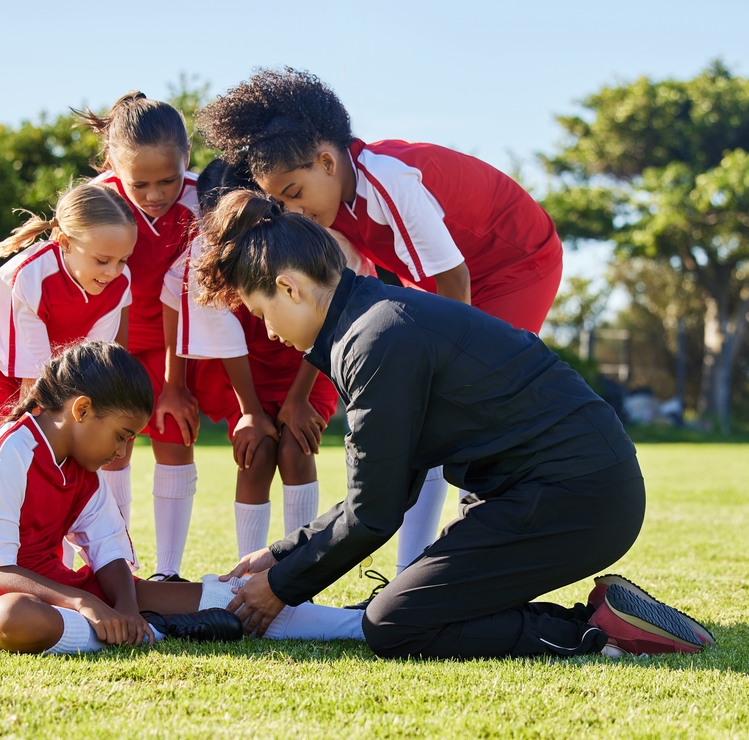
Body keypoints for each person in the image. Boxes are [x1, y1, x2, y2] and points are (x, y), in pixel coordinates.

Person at [193, 190, 715, 660]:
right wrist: (280, 554)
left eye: (260, 313)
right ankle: (609, 616)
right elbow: (385, 491)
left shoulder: (374, 338)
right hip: (546, 488)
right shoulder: (372, 319)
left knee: (393, 624)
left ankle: (599, 633)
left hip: (577, 494)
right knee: (410, 603)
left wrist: (280, 586)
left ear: (289, 288)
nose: (269, 331)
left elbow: (373, 512)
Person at [198, 68, 565, 573]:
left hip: (514, 263)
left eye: (294, 192)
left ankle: (475, 551)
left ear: (328, 162)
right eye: (279, 202)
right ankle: (410, 569)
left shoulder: (388, 178)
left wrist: (448, 371)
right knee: (421, 416)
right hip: (448, 278)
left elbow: (453, 278)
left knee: (465, 404)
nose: (292, 211)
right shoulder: (332, 210)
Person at [0, 340, 366, 654]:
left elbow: (108, 552)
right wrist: (88, 604)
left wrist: (125, 607)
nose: (122, 451)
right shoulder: (8, 453)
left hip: (64, 593)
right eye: (121, 436)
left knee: (233, 595)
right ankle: (161, 631)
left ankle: (362, 623)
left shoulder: (83, 467)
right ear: (81, 410)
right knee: (14, 619)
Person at [76, 92, 238, 580]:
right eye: (140, 183)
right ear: (113, 164)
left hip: (179, 341)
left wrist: (174, 384)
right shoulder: (96, 200)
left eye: (166, 179)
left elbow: (187, 296)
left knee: (173, 434)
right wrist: (107, 370)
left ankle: (168, 572)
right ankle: (114, 564)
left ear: (186, 157)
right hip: (110, 338)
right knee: (110, 446)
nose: (154, 194)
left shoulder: (201, 201)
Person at [160, 158, 341, 558]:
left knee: (296, 446)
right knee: (256, 452)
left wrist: (298, 400)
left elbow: (327, 317)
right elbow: (218, 332)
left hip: (305, 364)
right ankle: (248, 570)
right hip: (239, 371)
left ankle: (298, 567)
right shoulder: (204, 257)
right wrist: (251, 413)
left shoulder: (303, 238)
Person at [0, 182, 135, 453]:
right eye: (102, 260)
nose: (113, 271)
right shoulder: (31, 276)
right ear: (65, 243)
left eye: (123, 260)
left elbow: (89, 361)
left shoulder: (119, 283)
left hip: (52, 356)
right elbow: (33, 378)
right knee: (5, 438)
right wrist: (35, 448)